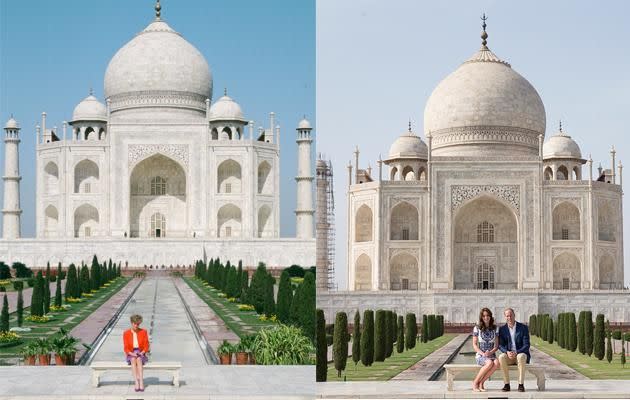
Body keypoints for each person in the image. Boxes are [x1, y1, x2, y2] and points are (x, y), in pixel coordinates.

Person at [498, 308, 530, 392]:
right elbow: (500, 345)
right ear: (505, 317)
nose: (509, 317)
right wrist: (507, 352)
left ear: (514, 315)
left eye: (511, 315)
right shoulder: (502, 329)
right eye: (507, 316)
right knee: (501, 357)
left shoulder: (523, 328)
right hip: (509, 355)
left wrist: (517, 352)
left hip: (519, 354)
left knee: (521, 356)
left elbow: (526, 345)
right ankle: (506, 384)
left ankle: (521, 385)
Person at [471, 308, 499, 392]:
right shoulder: (477, 328)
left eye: (487, 315)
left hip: (491, 354)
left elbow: (496, 345)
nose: (486, 317)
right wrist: (483, 353)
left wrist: (491, 352)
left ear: (490, 317)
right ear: (481, 317)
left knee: (497, 363)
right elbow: (474, 345)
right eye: (484, 316)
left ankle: (481, 383)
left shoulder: (495, 328)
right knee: (489, 363)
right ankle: (475, 383)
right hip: (480, 355)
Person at [123, 314, 150, 392]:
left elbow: (146, 345)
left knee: (138, 359)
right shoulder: (126, 333)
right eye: (135, 323)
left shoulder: (143, 332)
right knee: (133, 359)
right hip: (131, 353)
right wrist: (131, 353)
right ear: (131, 323)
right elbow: (126, 348)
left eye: (138, 324)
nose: (136, 325)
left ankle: (141, 381)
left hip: (141, 352)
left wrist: (142, 352)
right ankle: (136, 382)